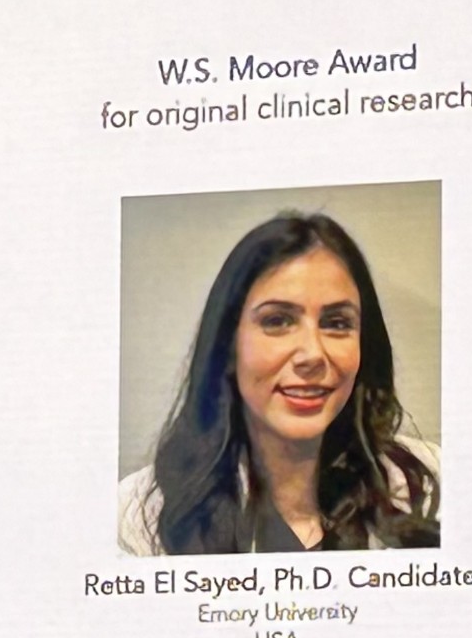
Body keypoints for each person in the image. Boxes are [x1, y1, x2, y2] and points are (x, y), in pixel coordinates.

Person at [119, 211, 440, 555]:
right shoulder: (137, 518)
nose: (312, 354)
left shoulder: (436, 483)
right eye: (277, 320)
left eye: (337, 322)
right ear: (228, 344)